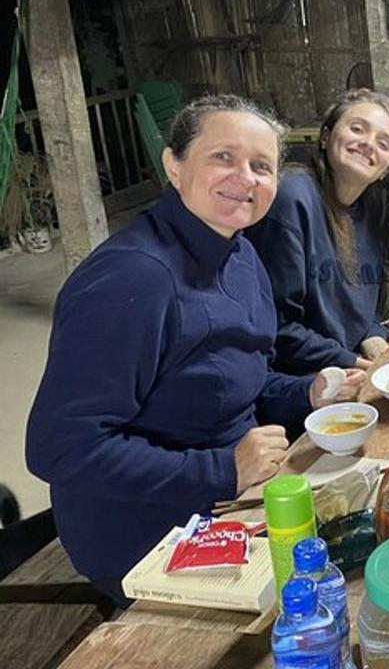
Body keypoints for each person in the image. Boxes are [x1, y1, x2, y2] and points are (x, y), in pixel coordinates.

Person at [25, 95, 363, 604]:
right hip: (146, 534)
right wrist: (223, 470)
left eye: (262, 166)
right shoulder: (132, 278)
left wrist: (308, 393)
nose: (245, 178)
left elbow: (230, 380)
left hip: (230, 494)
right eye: (223, 157)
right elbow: (60, 448)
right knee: (326, 602)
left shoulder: (240, 253)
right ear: (174, 165)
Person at [246, 89, 389, 375]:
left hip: (349, 365)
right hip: (298, 379)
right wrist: (355, 363)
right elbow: (277, 327)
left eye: (383, 143)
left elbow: (366, 308)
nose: (368, 143)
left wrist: (373, 336)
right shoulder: (292, 198)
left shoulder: (373, 210)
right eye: (357, 129)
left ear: (387, 169)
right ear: (325, 136)